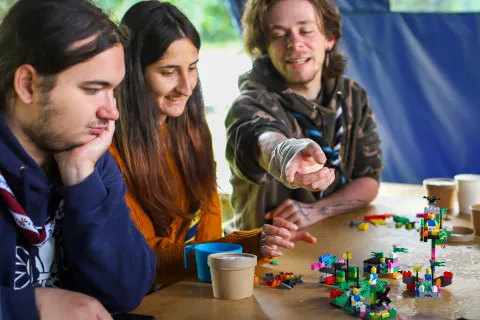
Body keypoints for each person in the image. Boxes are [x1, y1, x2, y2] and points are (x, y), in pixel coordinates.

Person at [110, 0, 316, 287]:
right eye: (168, 72)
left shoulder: (192, 130)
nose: (186, 86)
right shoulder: (110, 152)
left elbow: (206, 238)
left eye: (192, 68)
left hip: (192, 289)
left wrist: (256, 243)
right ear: (132, 72)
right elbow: (143, 256)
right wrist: (238, 249)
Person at [0, 0, 156, 319]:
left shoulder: (88, 156)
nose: (111, 112)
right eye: (93, 89)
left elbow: (127, 291)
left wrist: (82, 179)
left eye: (113, 90)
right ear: (28, 85)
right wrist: (28, 306)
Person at [225, 0, 383, 232]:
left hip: (333, 243)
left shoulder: (352, 95)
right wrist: (284, 152)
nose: (294, 43)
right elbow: (259, 135)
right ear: (264, 46)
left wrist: (317, 210)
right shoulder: (251, 102)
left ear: (329, 37)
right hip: (262, 255)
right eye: (278, 34)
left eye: (306, 31)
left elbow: (369, 179)